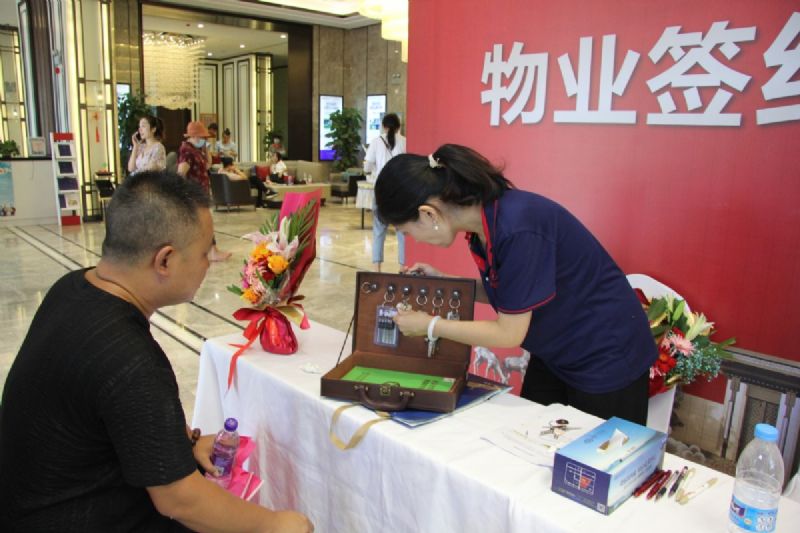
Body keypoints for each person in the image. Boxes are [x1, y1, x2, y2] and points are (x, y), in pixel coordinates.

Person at [0, 171, 314, 533]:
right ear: (164, 261)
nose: (210, 261)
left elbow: (110, 412)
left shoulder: (72, 287)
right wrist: (275, 524)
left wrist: (185, 443)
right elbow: (180, 499)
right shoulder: (129, 359)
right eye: (204, 251)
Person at [374, 144, 657, 424]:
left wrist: (430, 326)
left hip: (605, 353)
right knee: (533, 442)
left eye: (407, 232)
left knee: (597, 461)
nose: (414, 240)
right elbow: (512, 294)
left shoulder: (518, 227)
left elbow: (508, 333)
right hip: (556, 350)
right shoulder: (484, 226)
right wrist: (446, 283)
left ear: (428, 214)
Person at [177, 121, 231, 262]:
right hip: (194, 194)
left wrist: (206, 149)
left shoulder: (196, 149)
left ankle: (210, 251)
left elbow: (208, 164)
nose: (205, 140)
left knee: (201, 223)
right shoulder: (187, 150)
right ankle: (208, 252)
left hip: (201, 192)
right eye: (203, 138)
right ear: (194, 136)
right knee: (202, 222)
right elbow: (181, 172)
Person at [364, 113, 406, 272]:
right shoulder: (405, 142)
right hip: (400, 191)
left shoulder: (375, 142)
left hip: (381, 191)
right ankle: (403, 267)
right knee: (402, 230)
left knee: (379, 230)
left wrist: (374, 169)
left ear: (383, 126)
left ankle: (377, 268)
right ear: (398, 127)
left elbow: (367, 167)